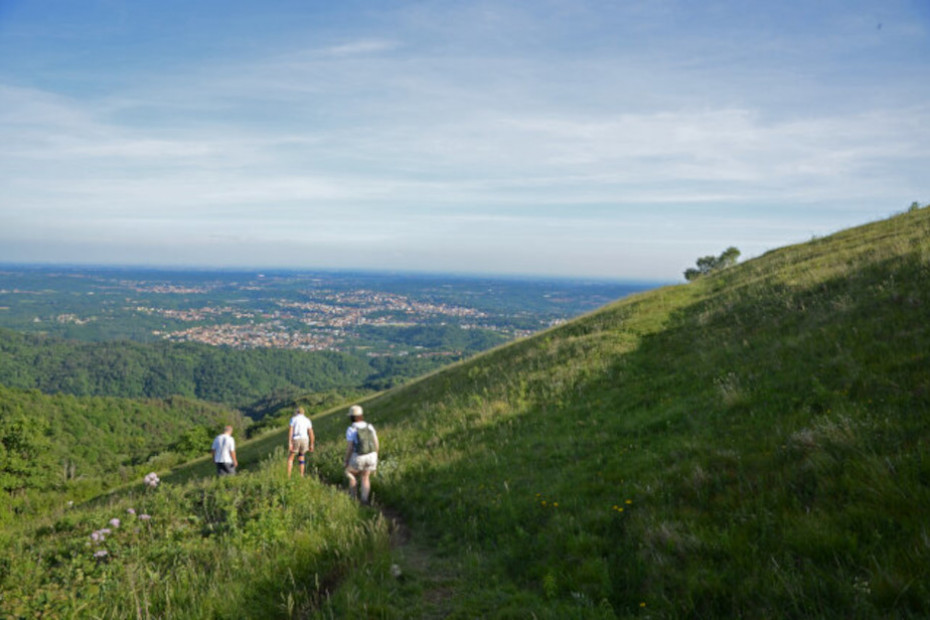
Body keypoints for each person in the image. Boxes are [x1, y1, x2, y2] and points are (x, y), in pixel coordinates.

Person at [344, 404, 379, 505]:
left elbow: (350, 447)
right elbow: (376, 443)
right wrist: (376, 456)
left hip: (359, 456)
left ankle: (353, 498)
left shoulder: (351, 429)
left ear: (351, 417)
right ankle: (364, 500)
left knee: (349, 473)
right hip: (372, 455)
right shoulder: (370, 426)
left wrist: (346, 460)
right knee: (365, 476)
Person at [287, 406, 315, 478]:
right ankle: (301, 475)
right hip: (305, 439)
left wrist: (290, 442)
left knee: (291, 457)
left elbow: (290, 431)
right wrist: (311, 444)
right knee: (301, 456)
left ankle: (288, 476)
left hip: (296, 438)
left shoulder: (293, 419)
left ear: (296, 412)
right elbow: (311, 433)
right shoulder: (307, 420)